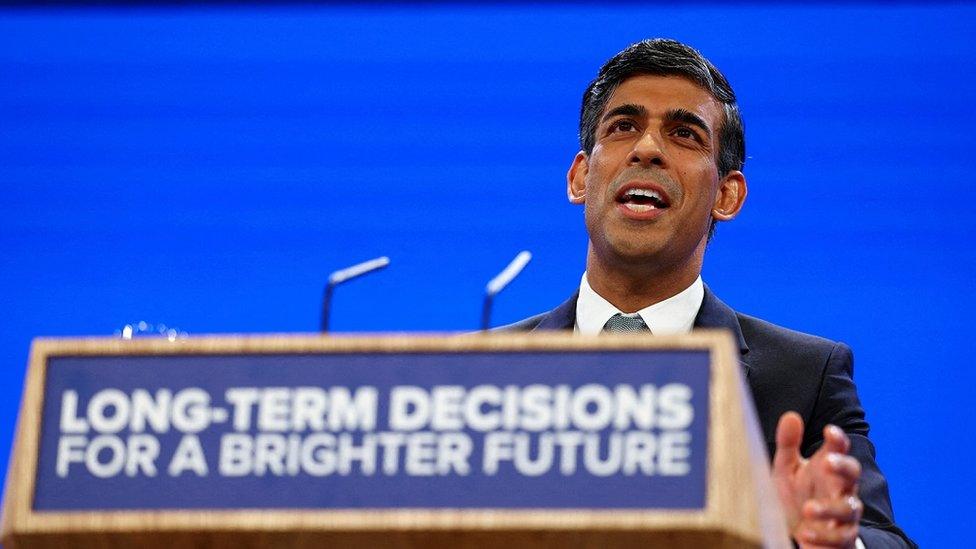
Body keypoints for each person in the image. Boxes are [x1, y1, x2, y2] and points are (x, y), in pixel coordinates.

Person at [503, 39, 914, 548]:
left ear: (727, 194)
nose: (647, 148)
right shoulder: (486, 368)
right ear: (581, 176)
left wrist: (819, 540)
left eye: (683, 134)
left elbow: (882, 538)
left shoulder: (805, 376)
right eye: (623, 126)